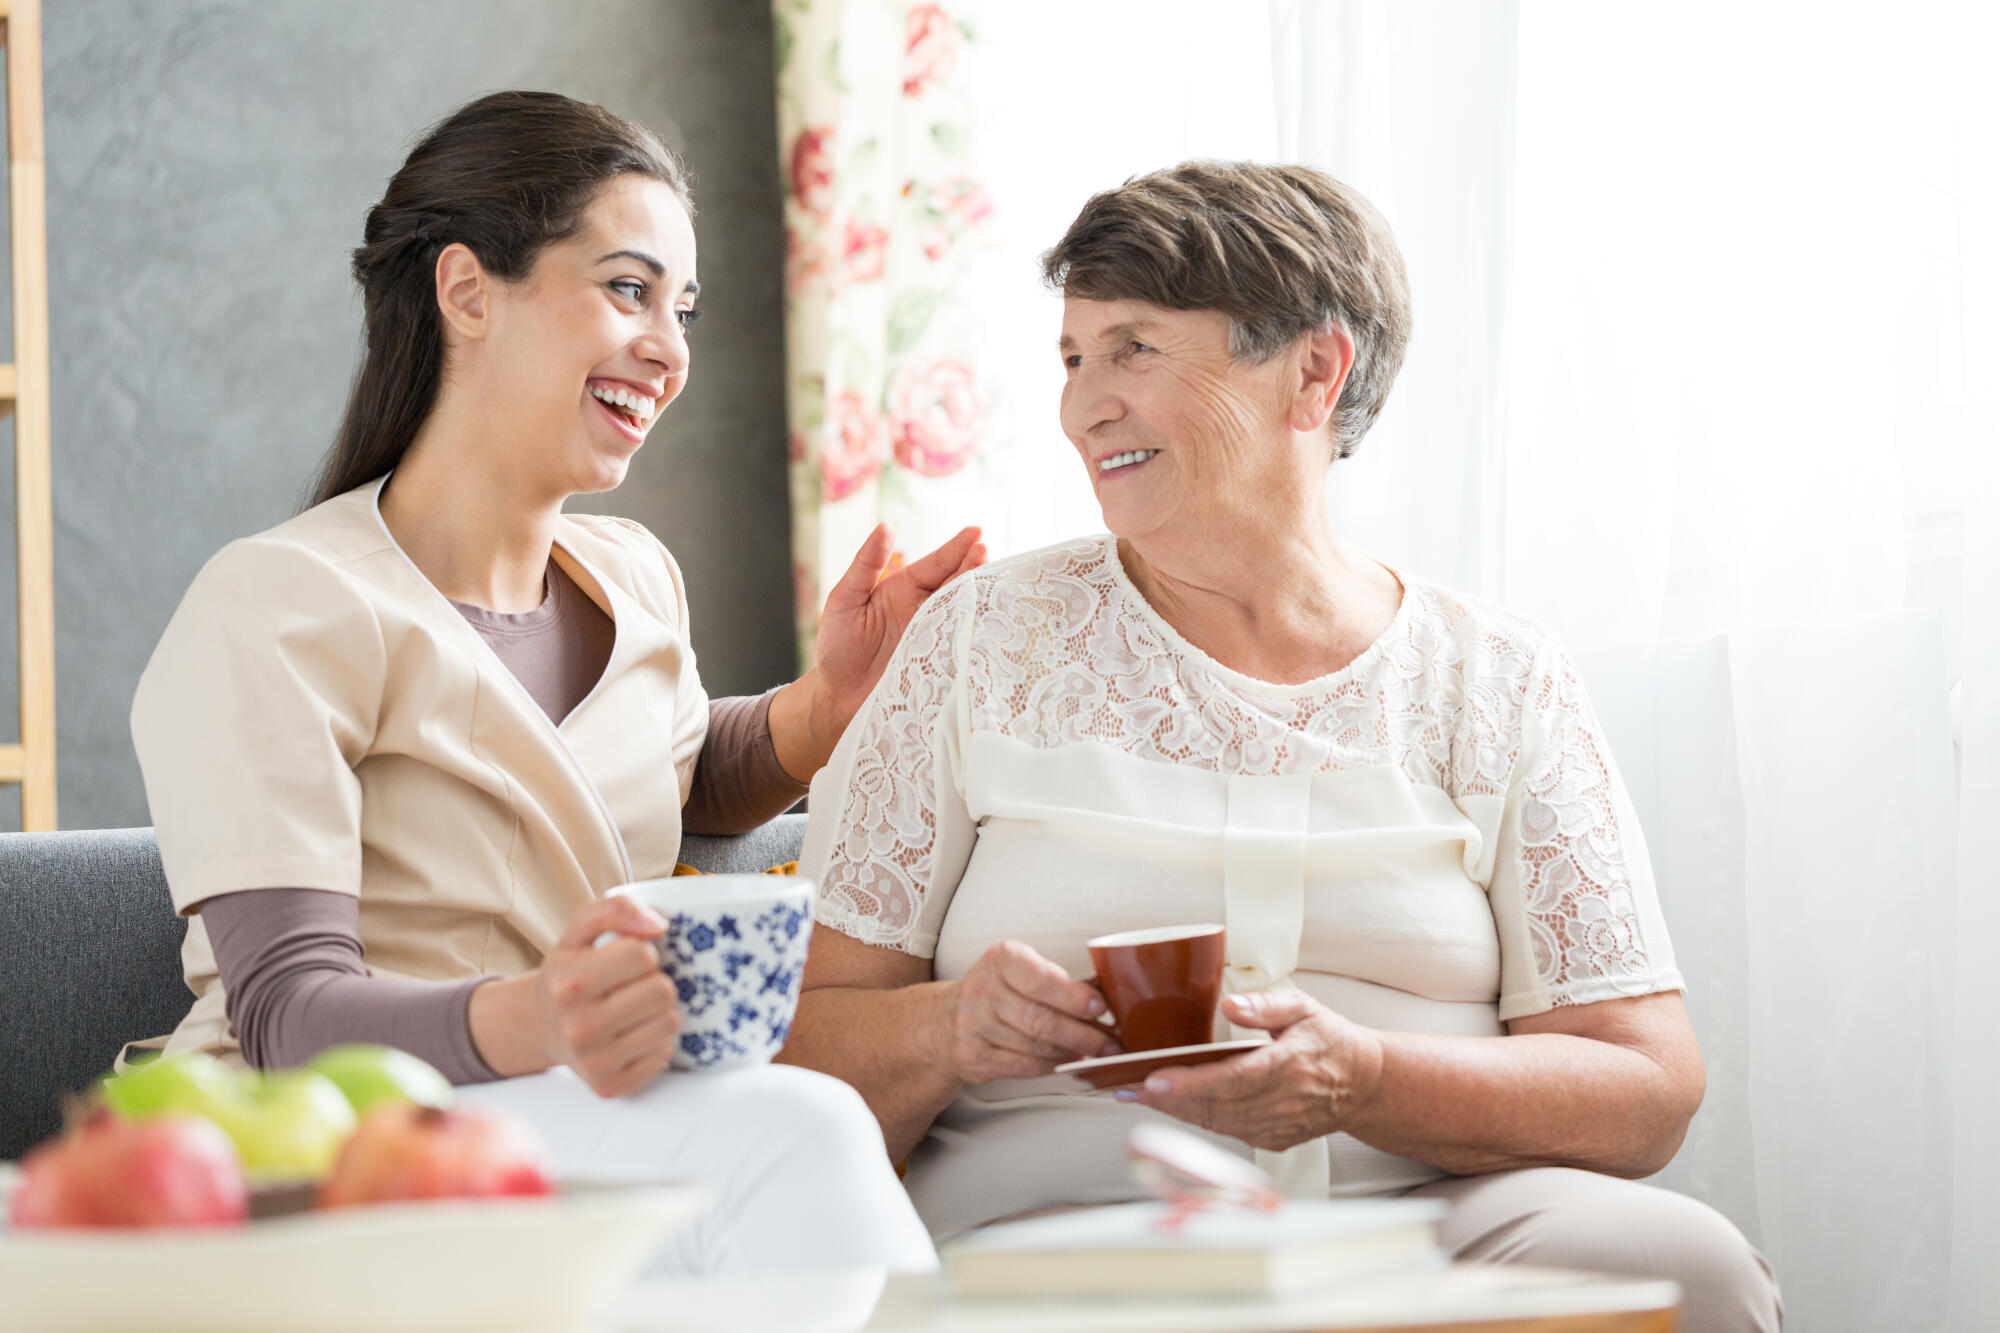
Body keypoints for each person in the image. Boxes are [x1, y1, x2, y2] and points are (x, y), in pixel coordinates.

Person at [779, 161, 1782, 1328]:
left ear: (1313, 372)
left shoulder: (1499, 675)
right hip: (1066, 1220)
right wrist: (947, 1029)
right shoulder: (981, 637)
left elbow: (1644, 1086)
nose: (1081, 406)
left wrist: (1365, 1079)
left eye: (1133, 350)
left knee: (1687, 1267)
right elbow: (801, 1049)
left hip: (1421, 1218)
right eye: (1073, 357)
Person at [128, 90, 968, 1278]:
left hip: (580, 1113)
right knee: (802, 1128)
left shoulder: (633, 575)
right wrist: (537, 1017)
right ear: (468, 292)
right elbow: (284, 1015)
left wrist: (823, 706)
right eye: (628, 290)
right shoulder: (277, 603)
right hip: (346, 1141)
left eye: (681, 309)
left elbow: (667, 773)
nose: (670, 348)